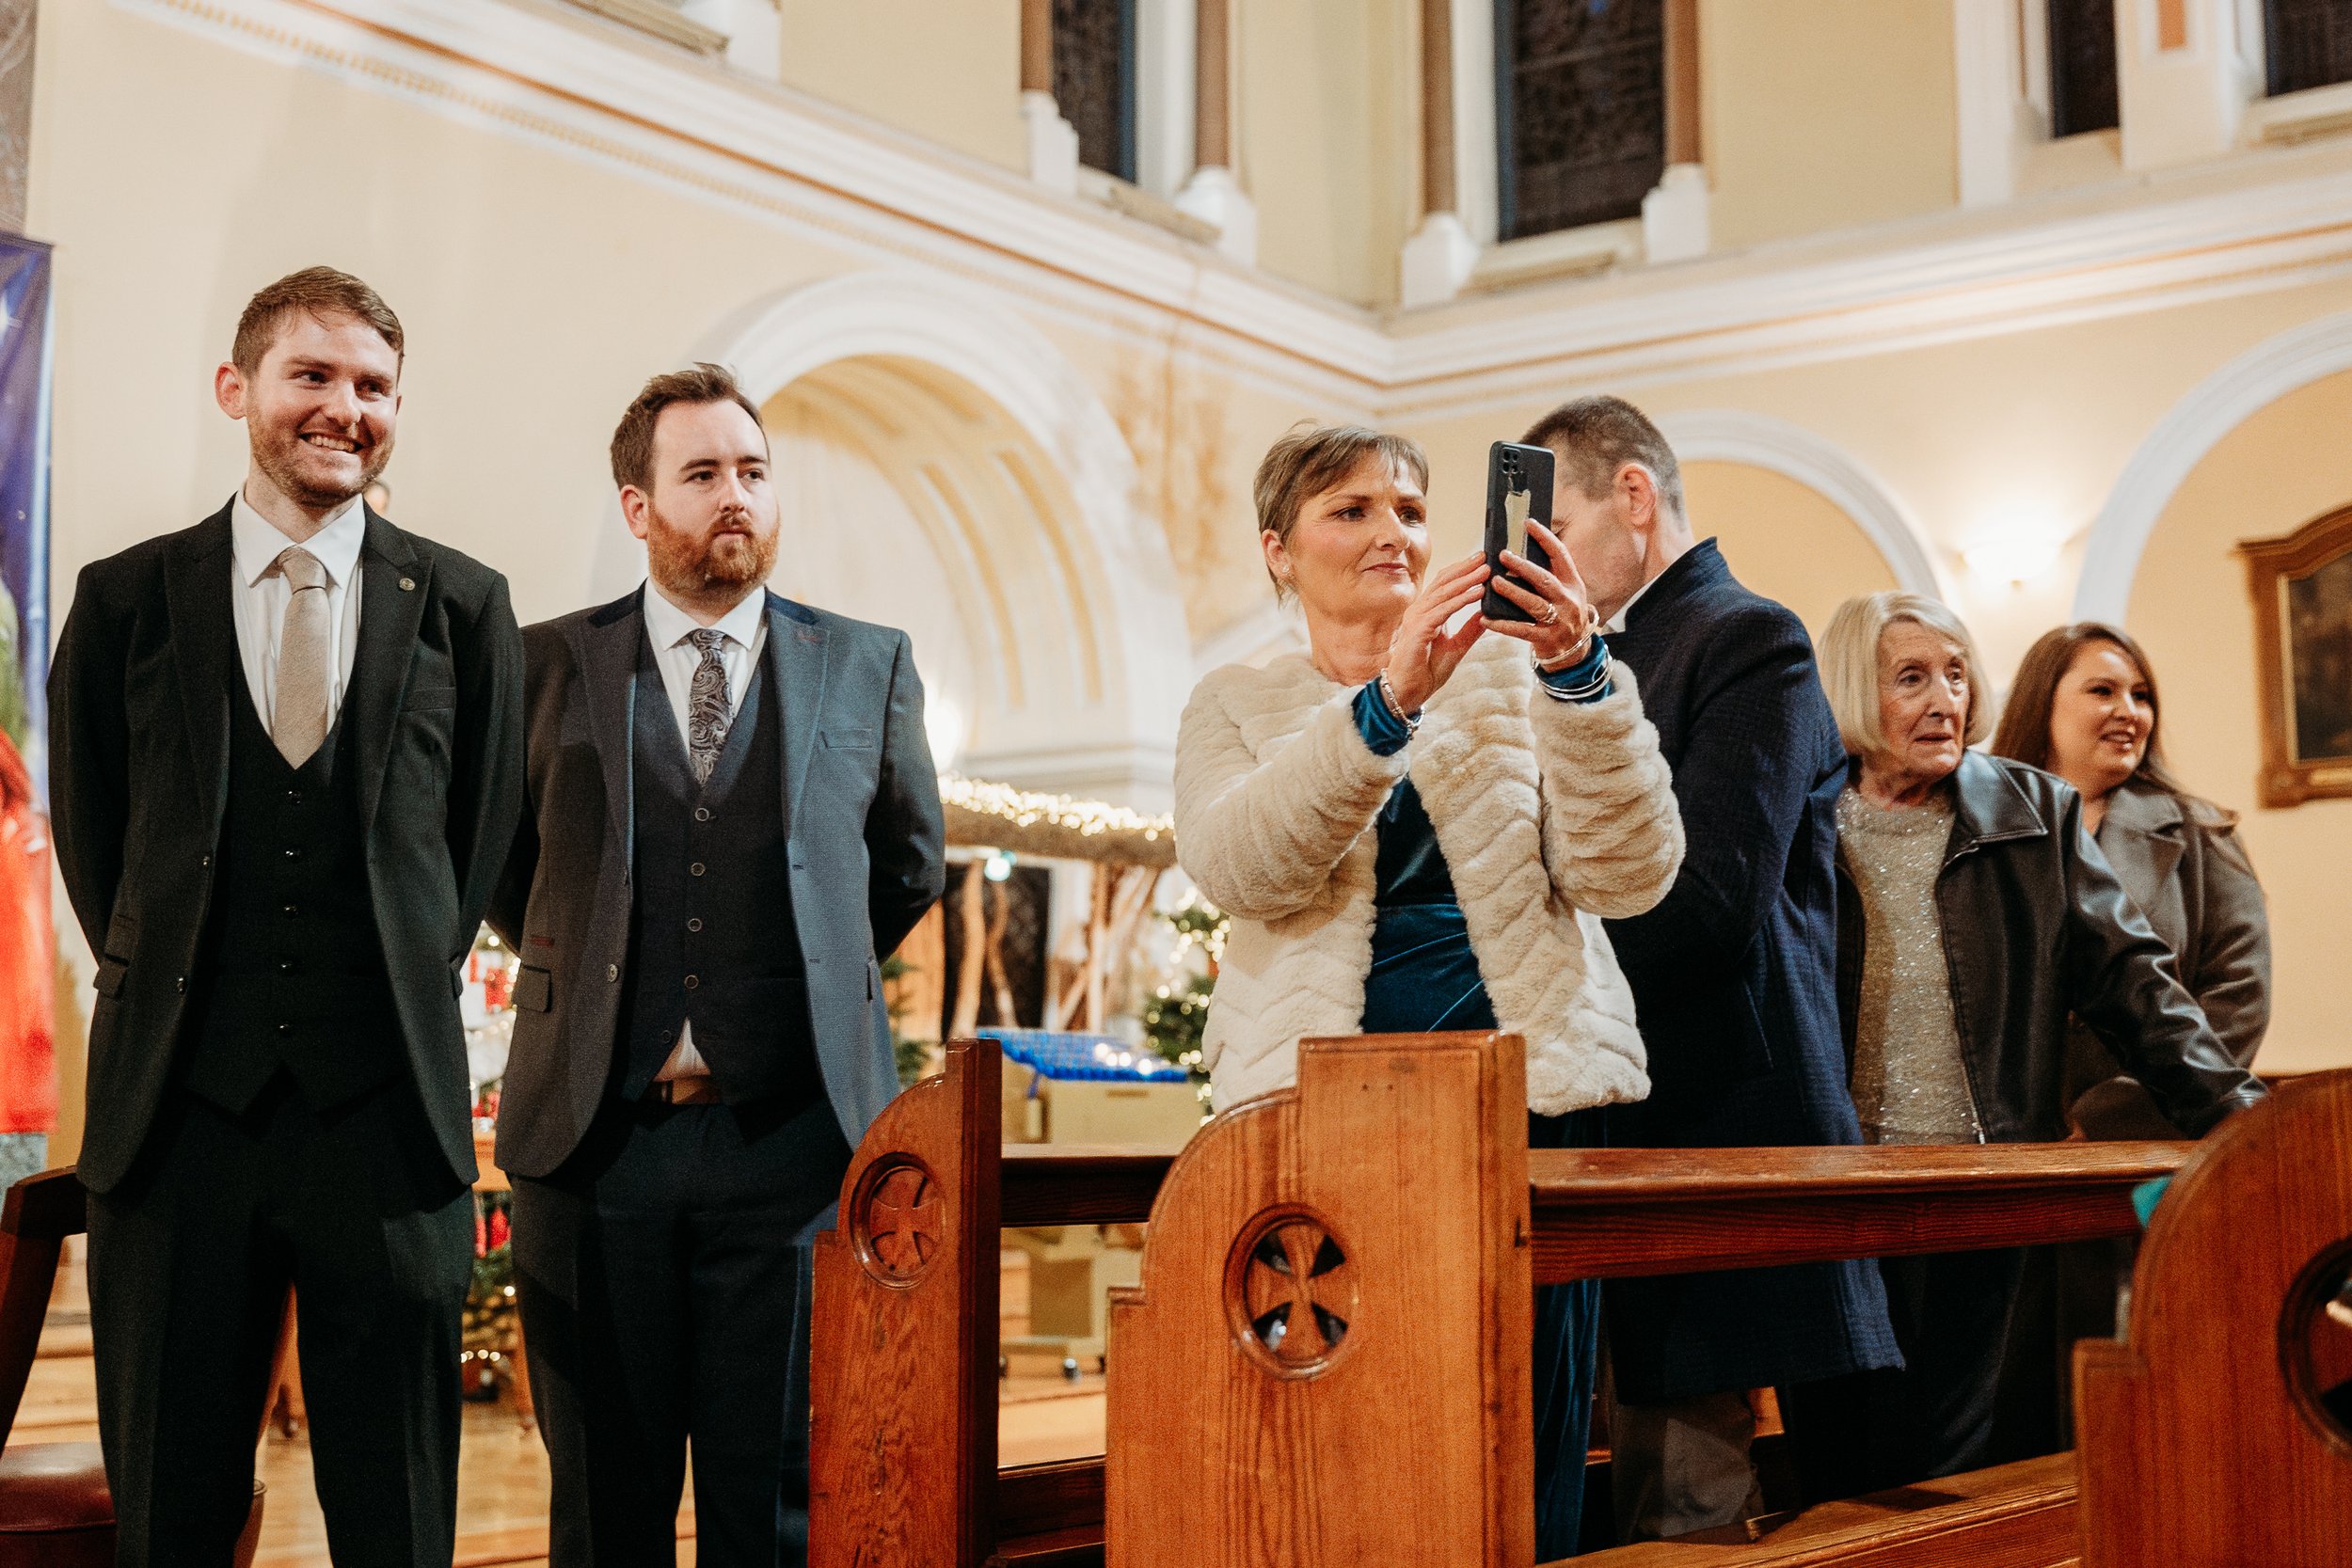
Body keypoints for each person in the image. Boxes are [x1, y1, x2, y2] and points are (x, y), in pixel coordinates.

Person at [49, 266, 525, 1565]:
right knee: (175, 1507)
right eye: (312, 374)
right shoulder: (128, 598)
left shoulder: (468, 608)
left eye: (373, 385)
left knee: (401, 1512)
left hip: (386, 1122)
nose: (344, 407)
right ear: (237, 388)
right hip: (176, 1123)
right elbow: (100, 846)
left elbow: (473, 847)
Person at [1174, 423, 1682, 1557]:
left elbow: (1628, 873)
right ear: (1278, 550)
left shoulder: (1527, 670)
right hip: (1314, 1115)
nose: (1391, 531)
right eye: (1349, 511)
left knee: (1517, 1425)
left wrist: (1581, 678)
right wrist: (1385, 704)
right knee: (1342, 1424)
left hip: (1524, 1103)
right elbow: (1241, 865)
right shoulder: (1233, 701)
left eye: (1407, 508)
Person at [490, 363, 946, 1566]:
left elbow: (905, 866)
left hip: (791, 1150)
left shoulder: (867, 661)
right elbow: (501, 867)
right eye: (700, 474)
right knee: (603, 1505)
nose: (733, 494)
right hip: (595, 1146)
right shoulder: (539, 665)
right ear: (639, 508)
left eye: (751, 470)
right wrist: (591, 983)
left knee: (778, 1501)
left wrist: (793, 977)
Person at [1518, 396, 1898, 1541]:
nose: (1543, 565)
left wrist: (1537, 966)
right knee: (1626, 1484)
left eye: (1558, 529)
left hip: (1722, 1108)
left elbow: (1713, 900)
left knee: (1688, 1490)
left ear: (1633, 497)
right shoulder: (1591, 658)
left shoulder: (1745, 637)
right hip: (1620, 1119)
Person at [1785, 591, 2263, 1500]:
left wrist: (2250, 1122)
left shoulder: (2034, 812)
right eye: (1912, 678)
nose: (1945, 700)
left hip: (1983, 1191)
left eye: (1957, 673)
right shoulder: (1799, 818)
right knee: (1838, 1474)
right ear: (1852, 689)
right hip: (1834, 1197)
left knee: (1964, 1473)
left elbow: (2141, 990)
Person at [1990, 622, 2269, 1135]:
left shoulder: (2204, 832)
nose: (2129, 712)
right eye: (2103, 690)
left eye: (2141, 696)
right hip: (2008, 1141)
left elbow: (2239, 998)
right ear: (2040, 704)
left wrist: (2113, 1115)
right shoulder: (1984, 831)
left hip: (2153, 1135)